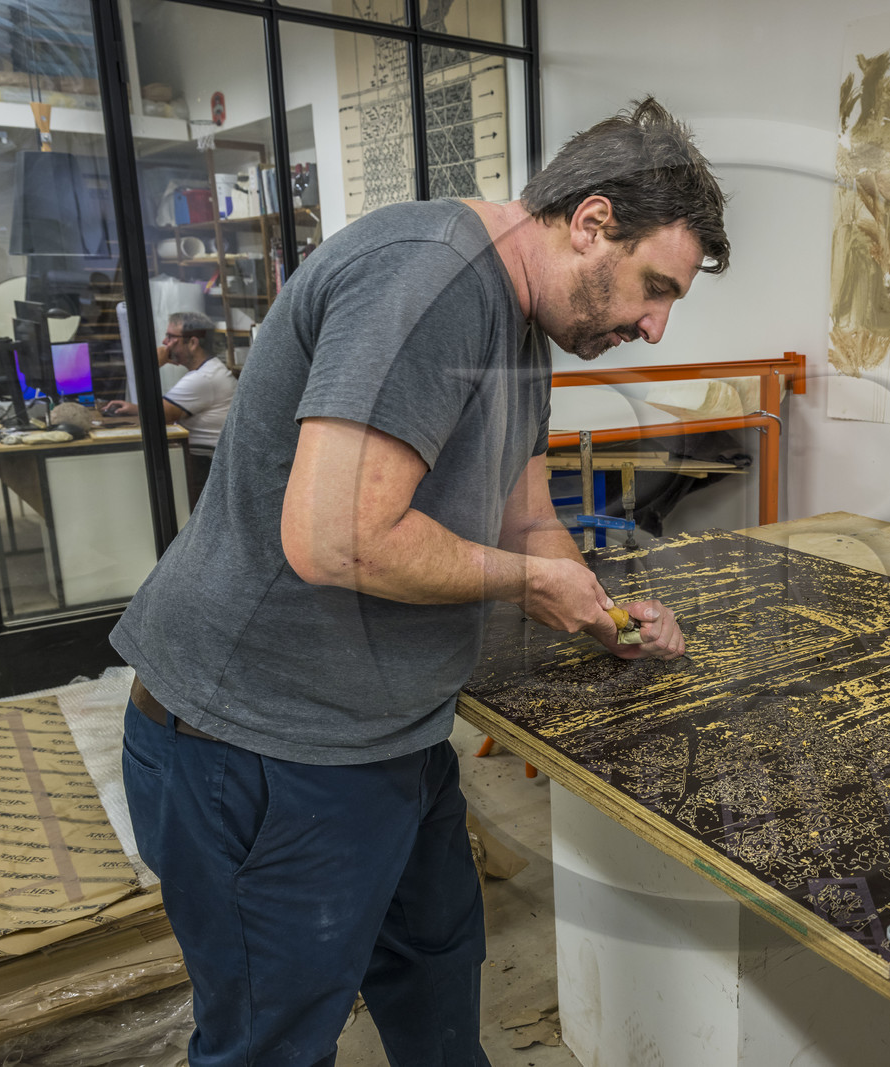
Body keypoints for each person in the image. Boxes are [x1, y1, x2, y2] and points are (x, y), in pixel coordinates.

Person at [110, 97, 729, 1066]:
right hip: (261, 744)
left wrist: (595, 606)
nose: (652, 326)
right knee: (268, 1040)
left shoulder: (521, 329)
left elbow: (524, 514)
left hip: (385, 734)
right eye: (655, 288)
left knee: (437, 974)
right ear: (592, 221)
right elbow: (333, 537)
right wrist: (531, 583)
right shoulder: (432, 280)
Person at [103, 309, 236, 507]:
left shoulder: (202, 379)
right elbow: (161, 410)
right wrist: (133, 408)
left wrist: (152, 364)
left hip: (206, 466)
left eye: (170, 337)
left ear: (192, 343)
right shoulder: (209, 370)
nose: (165, 343)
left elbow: (157, 417)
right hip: (209, 461)